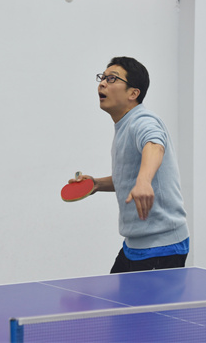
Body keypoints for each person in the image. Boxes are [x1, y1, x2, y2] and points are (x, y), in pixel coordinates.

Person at [70, 56, 189, 273]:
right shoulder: (124, 126)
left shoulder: (142, 121)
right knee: (116, 294)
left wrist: (144, 181)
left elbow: (155, 145)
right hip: (134, 245)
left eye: (112, 79)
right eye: (103, 77)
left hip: (162, 247)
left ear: (133, 93)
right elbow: (127, 177)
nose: (102, 83)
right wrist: (96, 184)